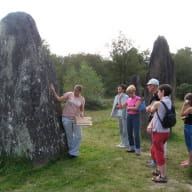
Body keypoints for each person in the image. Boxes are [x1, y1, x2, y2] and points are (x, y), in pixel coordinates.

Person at [50, 83, 85, 159]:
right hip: (66, 118)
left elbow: (81, 109)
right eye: (74, 90)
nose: (75, 92)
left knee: (79, 136)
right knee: (69, 136)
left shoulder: (82, 99)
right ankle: (73, 153)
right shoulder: (69, 94)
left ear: (80, 92)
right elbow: (59, 99)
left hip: (76, 119)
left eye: (77, 91)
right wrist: (53, 91)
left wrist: (82, 114)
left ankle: (73, 151)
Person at [147, 84, 172, 183]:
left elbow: (150, 110)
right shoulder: (169, 101)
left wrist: (149, 107)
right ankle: (159, 170)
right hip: (165, 131)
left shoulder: (158, 103)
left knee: (159, 153)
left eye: (159, 91)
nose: (157, 93)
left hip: (159, 131)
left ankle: (163, 176)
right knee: (154, 150)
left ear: (163, 92)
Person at [120, 85, 142, 155]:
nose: (130, 94)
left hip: (135, 116)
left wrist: (129, 108)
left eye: (131, 93)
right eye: (129, 93)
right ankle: (131, 147)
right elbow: (122, 107)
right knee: (129, 132)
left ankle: (138, 149)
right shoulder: (128, 99)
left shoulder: (138, 98)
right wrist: (120, 99)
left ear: (134, 92)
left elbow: (136, 108)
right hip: (129, 116)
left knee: (136, 133)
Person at [146, 78, 160, 167]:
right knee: (154, 142)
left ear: (154, 86)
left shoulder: (157, 96)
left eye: (149, 85)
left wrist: (149, 108)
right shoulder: (155, 95)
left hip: (156, 121)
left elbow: (154, 109)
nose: (148, 87)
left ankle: (156, 161)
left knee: (155, 142)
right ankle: (155, 160)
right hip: (154, 120)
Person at [180, 93, 192, 167]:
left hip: (188, 128)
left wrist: (184, 105)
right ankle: (189, 160)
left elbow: (182, 113)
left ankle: (189, 163)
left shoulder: (190, 109)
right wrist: (186, 118)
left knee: (190, 146)